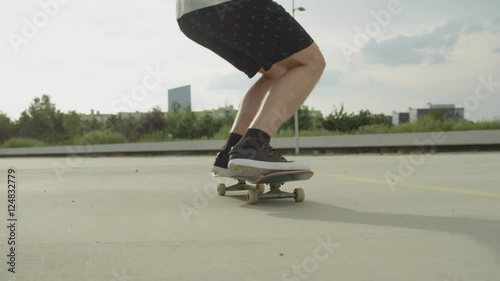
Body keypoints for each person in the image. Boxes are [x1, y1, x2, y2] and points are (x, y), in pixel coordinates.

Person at [176, 0, 326, 177]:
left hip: (189, 15)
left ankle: (230, 152)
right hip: (231, 5)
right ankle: (254, 146)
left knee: (276, 72)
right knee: (312, 62)